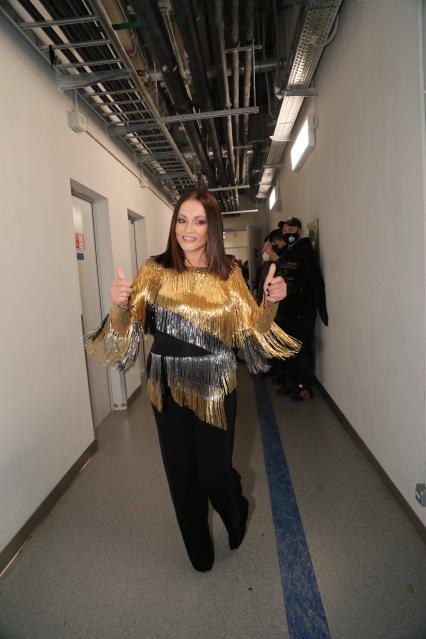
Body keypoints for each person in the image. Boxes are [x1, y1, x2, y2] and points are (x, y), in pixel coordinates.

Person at [85, 189, 300, 572]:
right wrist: (119, 305)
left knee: (215, 474)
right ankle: (199, 552)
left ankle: (235, 508)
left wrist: (272, 301)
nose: (189, 228)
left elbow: (254, 329)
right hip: (166, 385)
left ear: (211, 227)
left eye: (199, 221)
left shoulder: (228, 273)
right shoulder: (154, 270)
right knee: (181, 476)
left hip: (216, 386)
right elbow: (128, 328)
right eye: (182, 219)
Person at [274, 216, 328, 401]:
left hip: (303, 310)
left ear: (300, 231)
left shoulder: (304, 252)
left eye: (291, 230)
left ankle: (305, 388)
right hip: (289, 309)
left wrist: (321, 307)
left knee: (303, 349)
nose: (287, 233)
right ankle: (294, 382)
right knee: (291, 349)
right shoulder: (288, 253)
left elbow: (316, 280)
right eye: (284, 230)